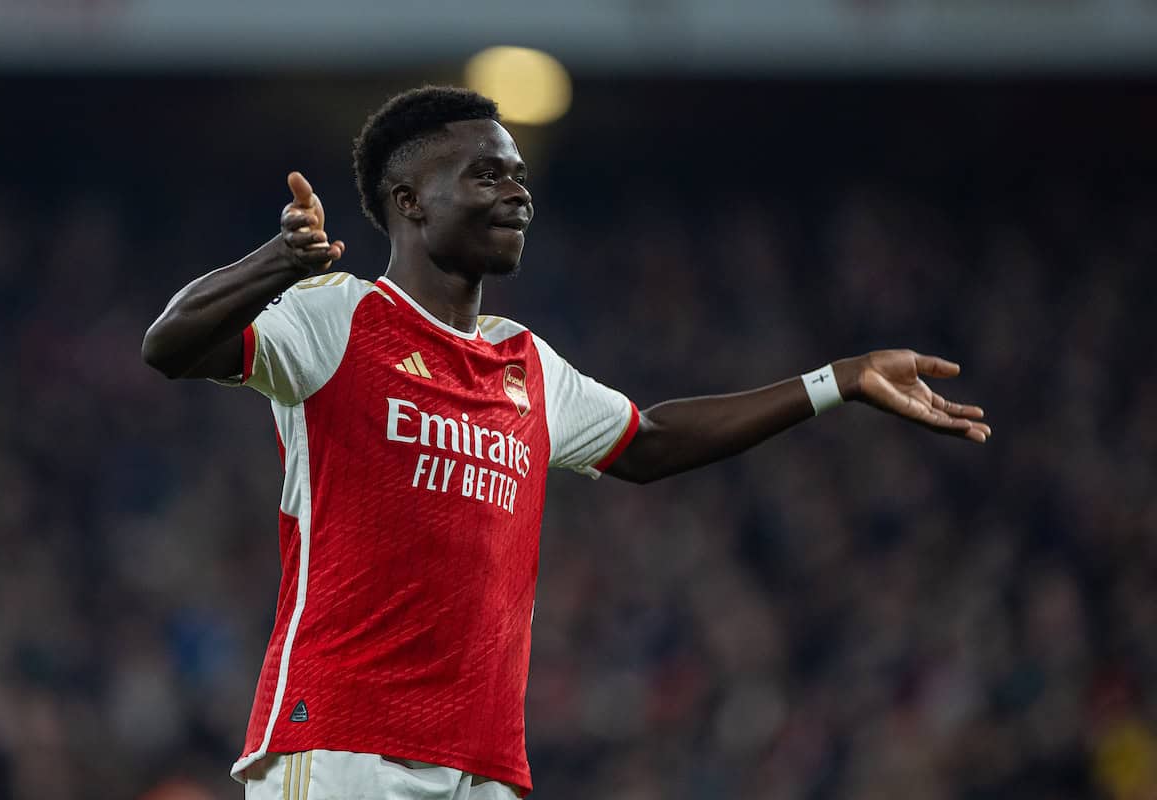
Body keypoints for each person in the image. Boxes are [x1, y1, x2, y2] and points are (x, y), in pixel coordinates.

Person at [141, 86, 990, 799]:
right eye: (486, 174)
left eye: (518, 176)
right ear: (410, 202)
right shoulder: (339, 317)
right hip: (343, 750)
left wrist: (835, 380)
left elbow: (650, 441)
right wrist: (278, 261)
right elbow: (170, 347)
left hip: (485, 764)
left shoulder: (528, 364)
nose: (518, 194)